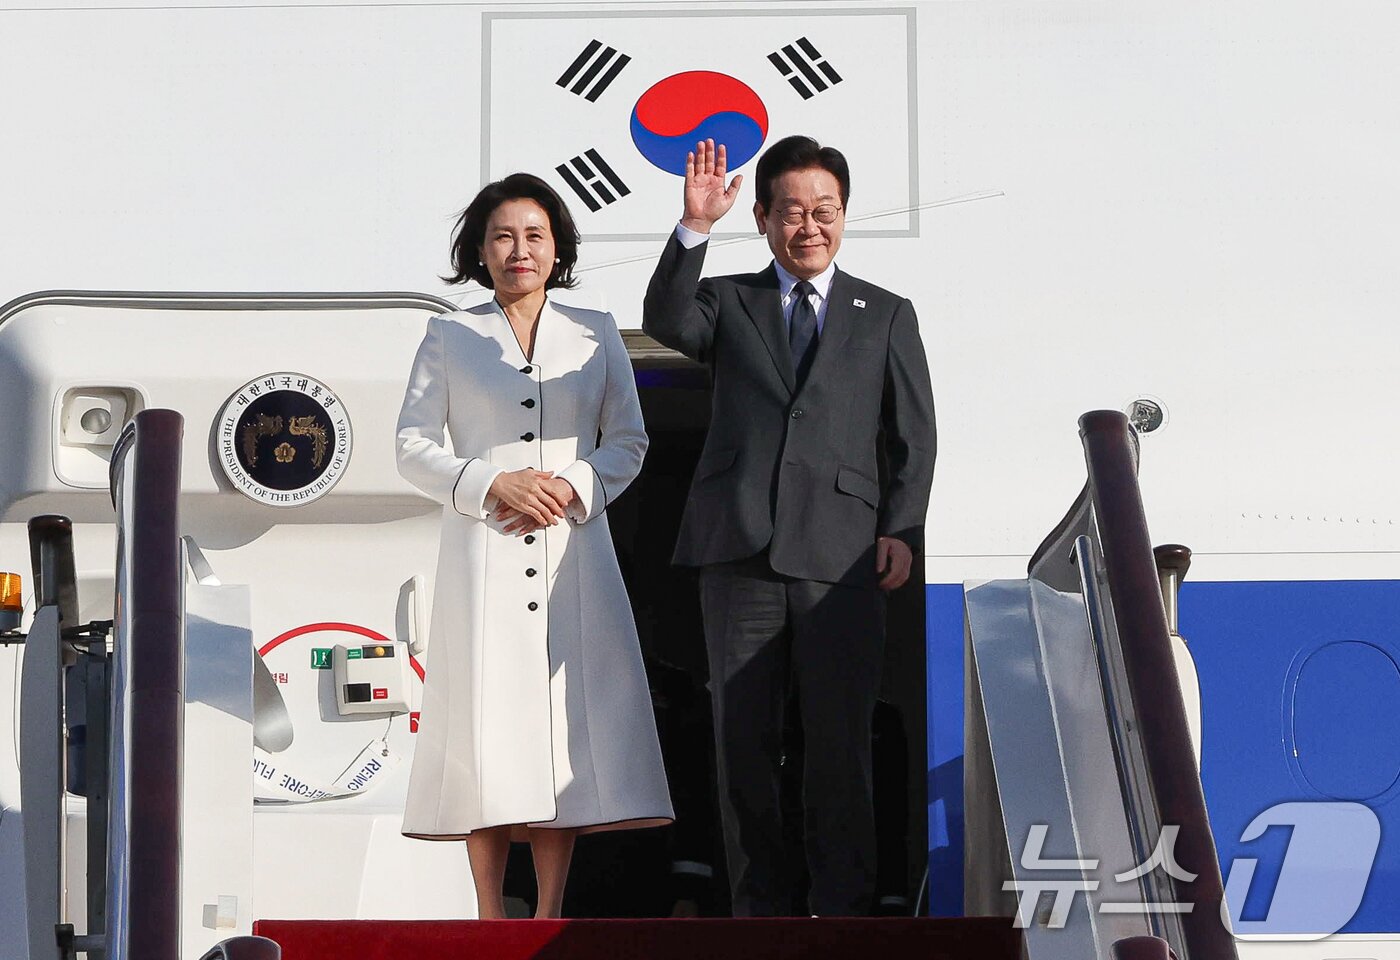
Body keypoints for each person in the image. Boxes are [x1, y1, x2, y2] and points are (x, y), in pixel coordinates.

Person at [642, 136, 936, 917]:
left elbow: (914, 435)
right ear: (765, 219)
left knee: (839, 743)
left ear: (843, 217)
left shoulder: (885, 313)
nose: (811, 226)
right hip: (737, 549)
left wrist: (901, 529)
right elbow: (666, 319)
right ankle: (758, 909)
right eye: (793, 212)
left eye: (825, 211)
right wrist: (693, 228)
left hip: (841, 559)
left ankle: (843, 905)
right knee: (743, 743)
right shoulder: (729, 302)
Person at [396, 173, 673, 919]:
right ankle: (489, 909)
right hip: (483, 551)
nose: (519, 250)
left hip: (571, 555)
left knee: (559, 727)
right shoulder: (451, 334)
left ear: (558, 248)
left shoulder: (597, 331)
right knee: (484, 724)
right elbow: (412, 446)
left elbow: (629, 440)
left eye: (535, 236)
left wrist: (572, 486)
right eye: (503, 236)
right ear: (480, 250)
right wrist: (490, 483)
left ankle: (549, 910)